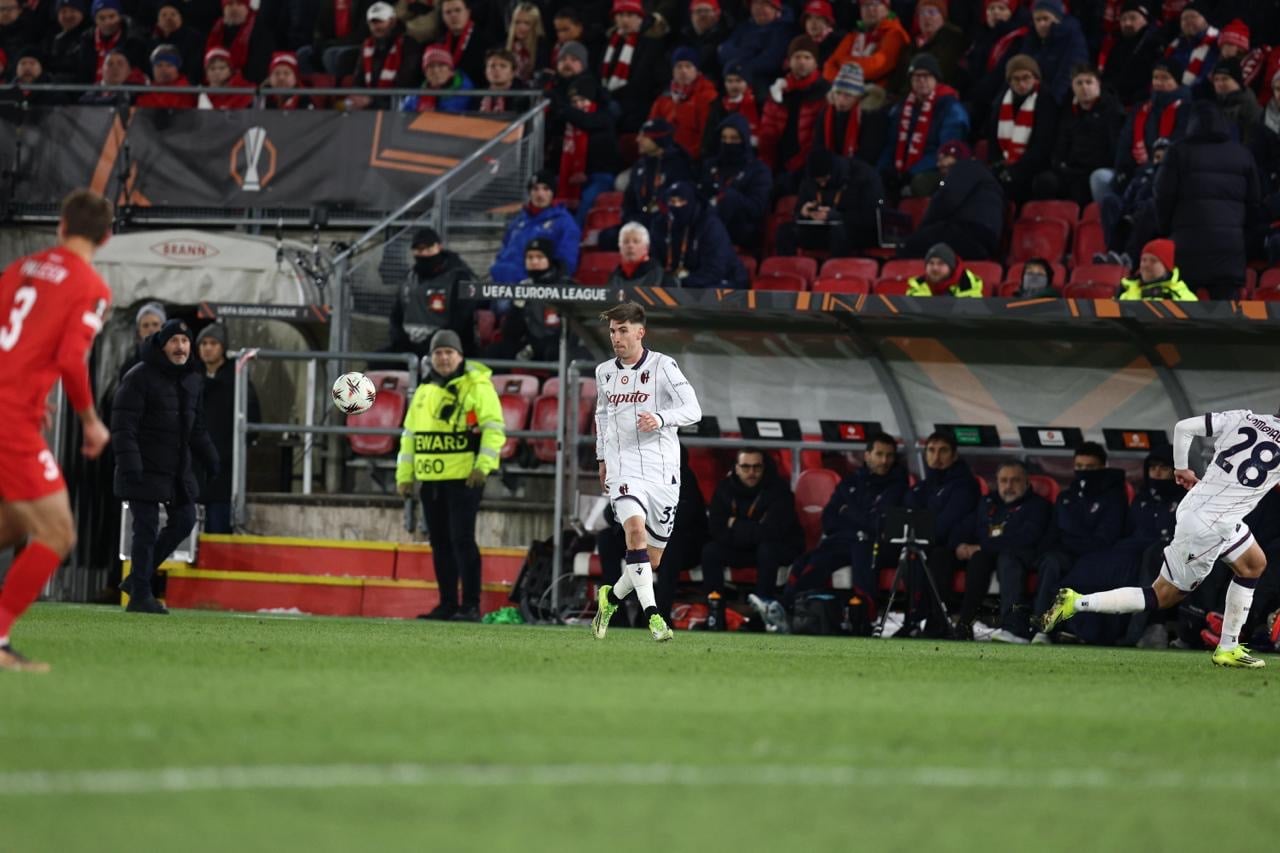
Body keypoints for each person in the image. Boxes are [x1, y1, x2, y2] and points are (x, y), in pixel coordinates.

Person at [1039, 408, 1280, 668]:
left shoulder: (1243, 417)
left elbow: (1183, 427)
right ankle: (1077, 602)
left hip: (1199, 506)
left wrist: (1181, 468)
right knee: (1162, 595)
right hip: (1210, 526)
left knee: (1254, 564)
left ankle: (1229, 646)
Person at [0, 189, 114, 672]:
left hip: (13, 407)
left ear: (61, 226)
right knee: (57, 531)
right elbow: (70, 358)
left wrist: (28, 391)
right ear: (106, 238)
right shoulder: (91, 286)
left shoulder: (19, 267)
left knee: (14, 523)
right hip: (10, 418)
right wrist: (91, 422)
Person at [590, 301, 702, 642]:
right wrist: (602, 458)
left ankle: (610, 598)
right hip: (622, 467)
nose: (616, 338)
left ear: (641, 332)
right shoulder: (604, 372)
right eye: (613, 331)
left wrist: (661, 418)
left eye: (623, 330)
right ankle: (654, 617)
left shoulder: (663, 366)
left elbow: (693, 409)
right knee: (634, 532)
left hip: (662, 470)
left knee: (650, 559)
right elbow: (602, 416)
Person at [396, 330, 505, 622]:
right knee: (440, 543)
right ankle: (447, 603)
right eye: (438, 353)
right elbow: (409, 436)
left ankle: (470, 605)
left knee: (462, 540)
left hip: (464, 479)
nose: (443, 358)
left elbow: (494, 429)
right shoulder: (423, 390)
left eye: (449, 352)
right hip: (431, 480)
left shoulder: (477, 386)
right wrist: (404, 476)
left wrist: (483, 466)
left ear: (460, 355)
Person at [112, 319, 219, 616]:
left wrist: (210, 456)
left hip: (175, 469)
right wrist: (130, 463)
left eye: (185, 341)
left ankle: (138, 578)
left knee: (185, 520)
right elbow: (123, 425)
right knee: (145, 529)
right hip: (143, 467)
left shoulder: (192, 379)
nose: (180, 347)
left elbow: (196, 427)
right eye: (174, 341)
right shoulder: (139, 377)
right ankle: (140, 595)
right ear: (162, 345)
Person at [770, 432, 908, 631]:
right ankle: (788, 610)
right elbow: (829, 519)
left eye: (889, 455)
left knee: (861, 552)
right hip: (842, 541)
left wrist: (848, 512)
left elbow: (880, 524)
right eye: (879, 454)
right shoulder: (851, 481)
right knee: (805, 564)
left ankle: (864, 618)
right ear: (867, 455)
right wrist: (860, 517)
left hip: (873, 545)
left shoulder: (898, 487)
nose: (884, 461)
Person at [1154, 100, 1261, 300]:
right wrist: (1243, 238)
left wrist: (1167, 230)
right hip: (1229, 249)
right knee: (1228, 314)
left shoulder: (1177, 152)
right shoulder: (1242, 154)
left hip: (1186, 247)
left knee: (1183, 311)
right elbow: (1254, 204)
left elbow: (1162, 196)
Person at [1030, 441, 1128, 643]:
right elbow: (1053, 533)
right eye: (1079, 467)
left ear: (1103, 467)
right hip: (1066, 554)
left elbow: (1105, 539)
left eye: (1090, 468)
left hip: (1096, 558)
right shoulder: (1066, 496)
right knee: (1050, 561)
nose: (1084, 472)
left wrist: (1069, 538)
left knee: (1079, 569)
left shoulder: (1115, 497)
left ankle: (1072, 630)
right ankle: (1043, 628)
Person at [700, 448, 804, 631]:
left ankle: (763, 612)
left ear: (764, 468)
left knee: (767, 549)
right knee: (711, 551)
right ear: (736, 468)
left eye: (757, 467)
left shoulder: (778, 490)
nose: (751, 472)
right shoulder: (725, 489)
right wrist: (753, 528)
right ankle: (715, 614)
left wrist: (734, 524)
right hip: (740, 547)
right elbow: (716, 529)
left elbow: (773, 532)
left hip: (776, 548)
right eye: (746, 467)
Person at [951, 460, 1051, 642]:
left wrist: (983, 546)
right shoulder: (988, 502)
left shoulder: (1038, 505)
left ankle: (1015, 628)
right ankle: (963, 624)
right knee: (974, 558)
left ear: (1027, 482)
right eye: (1004, 481)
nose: (1008, 486)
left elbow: (1025, 538)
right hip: (989, 557)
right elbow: (968, 526)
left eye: (1015, 480)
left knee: (1005, 558)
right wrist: (960, 545)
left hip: (1023, 557)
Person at [903, 430, 982, 636]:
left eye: (943, 451)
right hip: (927, 544)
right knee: (907, 551)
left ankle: (936, 624)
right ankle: (911, 622)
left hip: (953, 548)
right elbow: (908, 512)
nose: (936, 456)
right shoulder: (923, 486)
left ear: (954, 455)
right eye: (931, 450)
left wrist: (921, 531)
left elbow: (947, 522)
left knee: (936, 556)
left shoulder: (965, 485)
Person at [195, 323, 259, 535]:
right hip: (195, 467)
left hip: (225, 468)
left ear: (222, 347)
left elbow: (252, 417)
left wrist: (236, 450)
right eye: (203, 343)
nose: (207, 348)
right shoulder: (191, 378)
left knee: (218, 527)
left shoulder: (237, 379)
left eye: (213, 343)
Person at [879, 53, 969, 198]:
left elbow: (946, 151)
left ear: (936, 79)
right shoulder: (902, 107)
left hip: (934, 169)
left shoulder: (951, 108)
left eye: (926, 76)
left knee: (919, 184)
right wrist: (884, 170)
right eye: (916, 77)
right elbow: (891, 144)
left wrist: (911, 172)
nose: (921, 81)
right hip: (902, 168)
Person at [1035, 64, 1125, 205]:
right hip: (1070, 169)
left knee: (1079, 188)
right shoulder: (1068, 111)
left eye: (1089, 82)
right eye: (1079, 83)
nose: (1084, 87)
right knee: (1044, 182)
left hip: (1096, 169)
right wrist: (1060, 164)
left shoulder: (1112, 110)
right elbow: (1060, 144)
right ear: (1072, 86)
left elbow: (1115, 148)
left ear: (1098, 84)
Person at [900, 140, 1004, 260]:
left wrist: (921, 230)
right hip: (985, 242)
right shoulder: (983, 175)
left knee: (908, 246)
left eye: (943, 158)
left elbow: (945, 201)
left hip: (970, 233)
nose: (939, 164)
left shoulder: (965, 166)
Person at [390, 226, 477, 359]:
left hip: (448, 349)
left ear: (439, 247)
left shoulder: (460, 277)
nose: (424, 254)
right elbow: (396, 316)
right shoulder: (408, 278)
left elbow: (461, 320)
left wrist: (433, 344)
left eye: (429, 249)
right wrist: (400, 340)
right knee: (376, 363)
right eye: (419, 250)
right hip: (407, 348)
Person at [984, 53, 1057, 203]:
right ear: (1009, 81)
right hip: (1006, 163)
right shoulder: (1001, 102)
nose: (1022, 84)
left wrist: (1016, 167)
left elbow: (1043, 145)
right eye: (1016, 79)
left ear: (1035, 78)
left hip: (1035, 165)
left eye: (1026, 78)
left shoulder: (1045, 100)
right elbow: (993, 142)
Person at [650, 181, 748, 289]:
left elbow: (715, 270)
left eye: (681, 201)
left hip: (723, 280)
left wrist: (680, 283)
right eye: (672, 202)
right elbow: (654, 259)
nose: (676, 206)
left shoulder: (710, 226)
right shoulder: (661, 224)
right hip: (683, 282)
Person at [490, 171, 581, 284]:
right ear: (530, 192)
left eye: (546, 189)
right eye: (535, 189)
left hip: (532, 287)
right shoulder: (518, 221)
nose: (540, 194)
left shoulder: (564, 222)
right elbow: (503, 250)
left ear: (553, 193)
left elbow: (566, 262)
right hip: (500, 283)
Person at [758, 36, 831, 176]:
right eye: (797, 57)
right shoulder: (778, 91)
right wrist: (766, 167)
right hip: (779, 165)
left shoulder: (824, 92)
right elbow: (767, 134)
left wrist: (799, 163)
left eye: (807, 57)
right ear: (789, 62)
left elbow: (819, 138)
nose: (802, 62)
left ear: (816, 63)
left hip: (810, 166)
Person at [697, 113, 772, 248]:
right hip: (706, 226)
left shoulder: (758, 170)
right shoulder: (711, 165)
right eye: (724, 138)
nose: (728, 143)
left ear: (744, 140)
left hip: (741, 230)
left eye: (734, 138)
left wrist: (730, 197)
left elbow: (757, 208)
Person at [599, 0, 670, 133]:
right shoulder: (611, 42)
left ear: (640, 18)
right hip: (611, 102)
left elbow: (647, 82)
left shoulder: (652, 44)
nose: (625, 20)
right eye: (620, 15)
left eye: (630, 15)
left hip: (637, 108)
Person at [558, 75, 619, 228]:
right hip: (572, 177)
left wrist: (562, 107)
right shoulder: (569, 122)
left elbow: (585, 121)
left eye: (582, 100)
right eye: (574, 102)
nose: (578, 105)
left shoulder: (604, 117)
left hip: (600, 175)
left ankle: (575, 234)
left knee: (587, 198)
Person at [647, 47, 719, 162]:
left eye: (688, 66)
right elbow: (651, 131)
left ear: (697, 70)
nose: (683, 71)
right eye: (679, 66)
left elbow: (706, 139)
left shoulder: (707, 97)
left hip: (692, 160)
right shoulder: (663, 99)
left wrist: (684, 157)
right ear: (673, 71)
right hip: (663, 158)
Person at [814, 62, 890, 168]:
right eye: (838, 93)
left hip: (860, 170)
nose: (841, 100)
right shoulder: (827, 111)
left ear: (858, 96)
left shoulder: (872, 115)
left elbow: (868, 154)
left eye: (848, 95)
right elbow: (818, 145)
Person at [347, 2, 420, 110]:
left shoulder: (408, 44)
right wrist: (358, 97)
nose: (376, 26)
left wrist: (372, 101)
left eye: (380, 21)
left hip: (398, 104)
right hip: (369, 105)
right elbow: (358, 78)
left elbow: (406, 83)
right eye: (372, 23)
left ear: (392, 21)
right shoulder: (367, 46)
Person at [822, 0, 910, 88]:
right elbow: (829, 68)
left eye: (875, 4)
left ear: (887, 8)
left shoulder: (895, 34)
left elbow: (875, 68)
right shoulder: (854, 35)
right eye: (865, 5)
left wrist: (844, 63)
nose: (870, 9)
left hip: (877, 93)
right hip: (845, 91)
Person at [1016, 0, 1087, 105]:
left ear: (1058, 19)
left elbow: (1069, 73)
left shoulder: (1072, 38)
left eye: (1046, 19)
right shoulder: (1031, 39)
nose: (1041, 24)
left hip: (1058, 102)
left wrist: (1051, 102)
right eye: (1038, 20)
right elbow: (1018, 67)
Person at [716, 0, 791, 94]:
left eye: (764, 4)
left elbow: (771, 61)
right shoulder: (744, 26)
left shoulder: (783, 30)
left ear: (776, 9)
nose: (758, 8)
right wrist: (750, 52)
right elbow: (723, 51)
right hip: (733, 74)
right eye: (755, 4)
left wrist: (741, 65)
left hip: (764, 81)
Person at [1100, 1, 1163, 108]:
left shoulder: (1155, 44)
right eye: (1123, 19)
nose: (1127, 23)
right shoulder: (1116, 45)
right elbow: (1107, 77)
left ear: (1145, 20)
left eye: (1133, 18)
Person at [204, 0, 273, 84]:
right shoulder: (215, 29)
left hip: (247, 85)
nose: (234, 8)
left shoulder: (260, 30)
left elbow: (260, 65)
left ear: (246, 7)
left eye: (239, 4)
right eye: (230, 4)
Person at [1117, 238, 1197, 300]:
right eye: (1143, 260)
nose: (1146, 265)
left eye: (1153, 261)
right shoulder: (1125, 290)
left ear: (1166, 267)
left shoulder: (1182, 296)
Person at [402, 46, 474, 113]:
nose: (436, 70)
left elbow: (451, 112)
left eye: (441, 65)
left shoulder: (464, 89)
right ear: (425, 73)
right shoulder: (417, 94)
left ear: (451, 70)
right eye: (430, 66)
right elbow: (404, 113)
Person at [1164, 2, 1219, 91]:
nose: (1188, 21)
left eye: (1193, 17)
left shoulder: (1217, 43)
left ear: (1205, 20)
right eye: (1184, 18)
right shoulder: (1175, 46)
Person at [436, 0, 488, 87]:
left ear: (468, 13)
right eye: (448, 12)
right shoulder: (438, 44)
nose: (453, 15)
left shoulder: (485, 42)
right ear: (443, 17)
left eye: (458, 10)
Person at [606, 222, 674, 288]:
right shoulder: (614, 278)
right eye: (625, 242)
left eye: (636, 241)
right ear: (619, 247)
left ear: (646, 247)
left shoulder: (662, 277)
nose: (630, 246)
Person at [906, 243, 985, 297]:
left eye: (941, 263)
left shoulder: (968, 285)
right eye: (931, 263)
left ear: (951, 267)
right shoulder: (916, 286)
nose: (935, 268)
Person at [136, 43, 197, 109]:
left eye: (169, 65)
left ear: (177, 68)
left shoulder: (188, 92)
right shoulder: (145, 93)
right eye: (159, 65)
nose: (164, 70)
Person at [199, 45, 254, 110]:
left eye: (222, 68)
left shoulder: (245, 91)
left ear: (230, 70)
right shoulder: (199, 93)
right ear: (206, 73)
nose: (217, 72)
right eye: (212, 68)